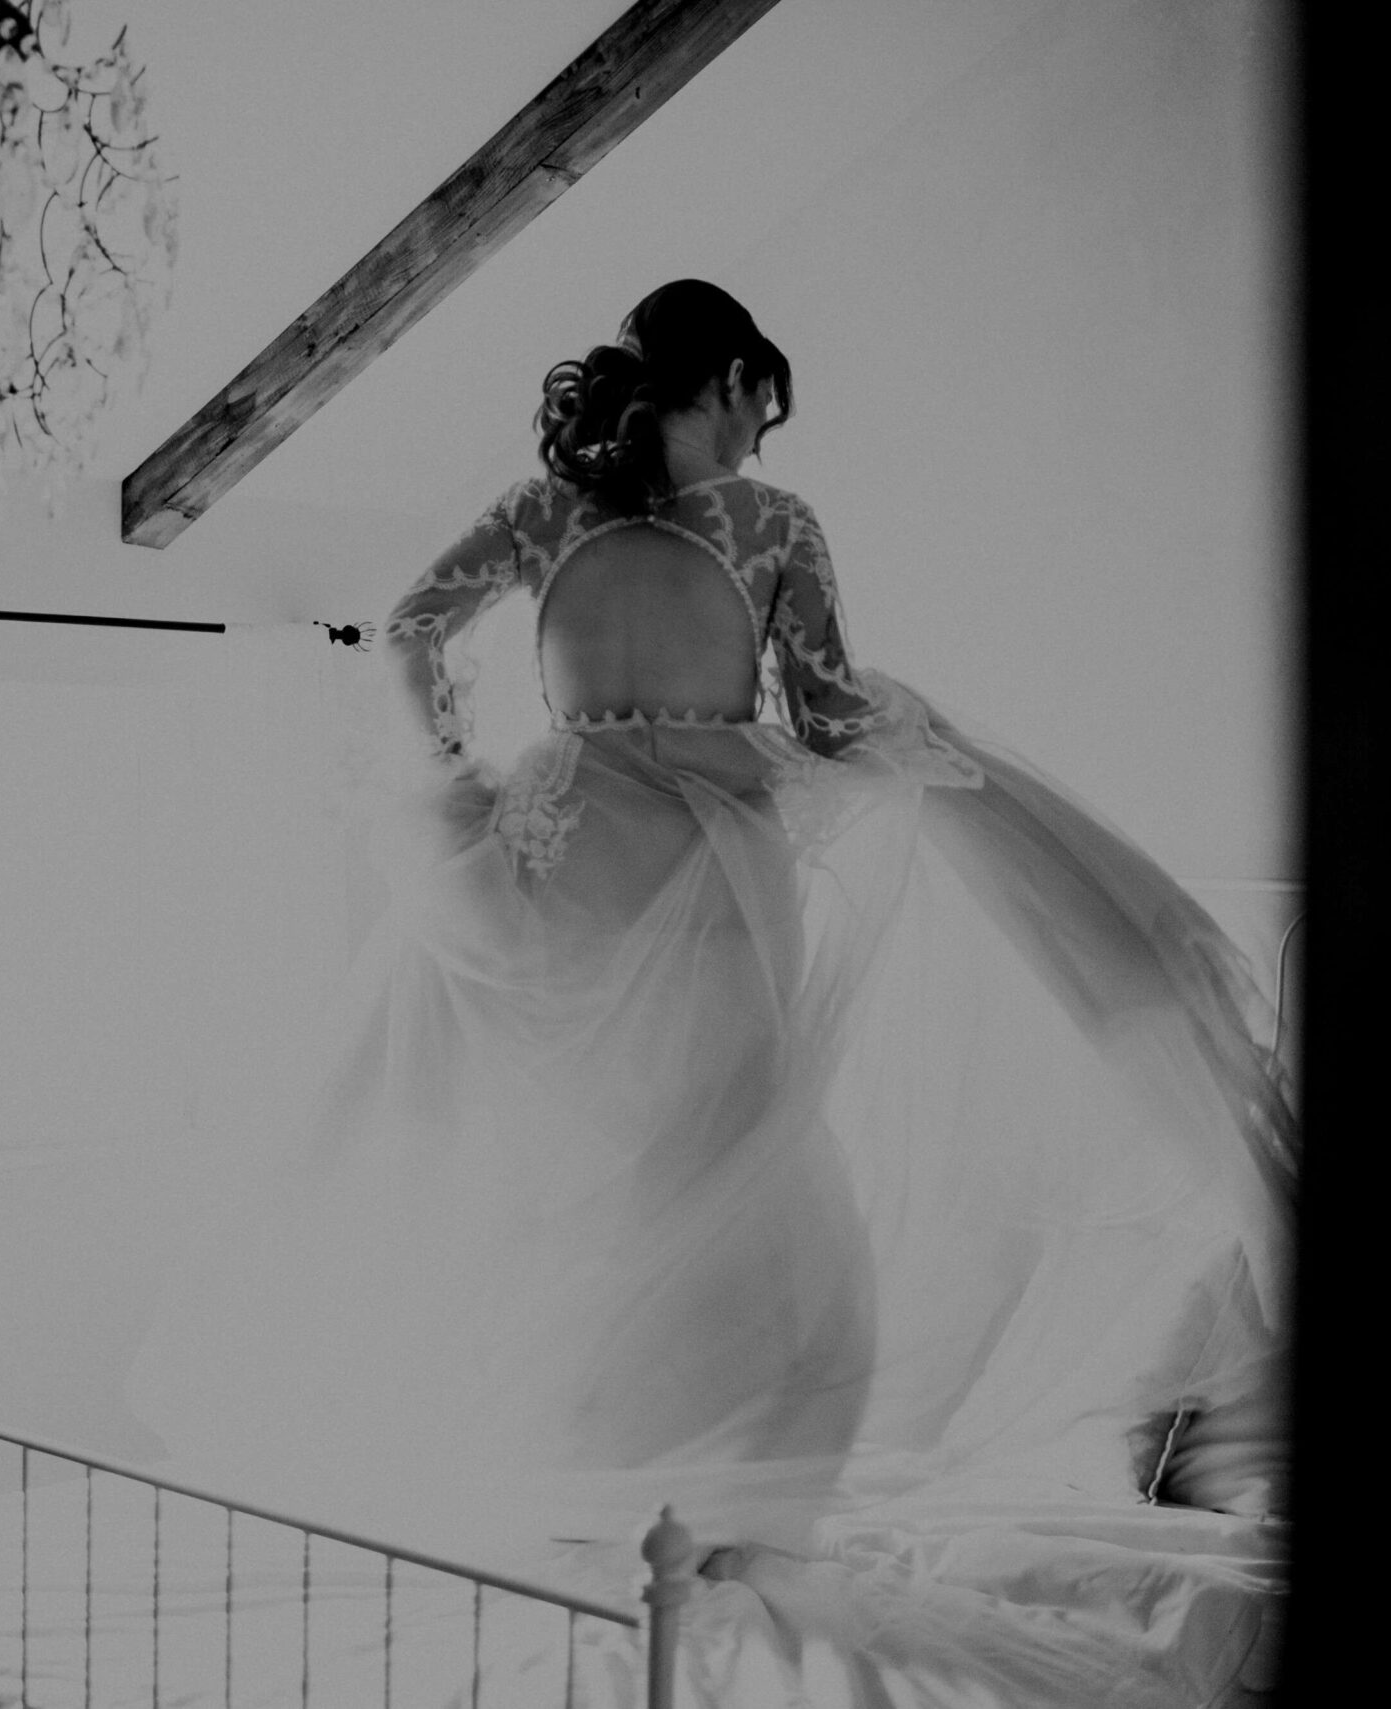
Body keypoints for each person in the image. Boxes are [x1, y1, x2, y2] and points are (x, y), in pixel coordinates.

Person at [131, 281, 1294, 1706]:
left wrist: (453, 774)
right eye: (761, 409)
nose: (758, 440)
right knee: (752, 1182)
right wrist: (908, 727)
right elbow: (830, 714)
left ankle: (598, 1487)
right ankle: (725, 1505)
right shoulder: (771, 525)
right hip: (713, 878)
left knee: (584, 1184)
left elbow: (411, 626)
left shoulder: (543, 509)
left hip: (555, 864)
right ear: (731, 377)